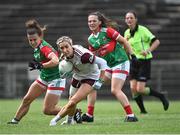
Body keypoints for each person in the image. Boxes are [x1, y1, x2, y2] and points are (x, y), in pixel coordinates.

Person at [82, 11, 138, 122]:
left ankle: (131, 115)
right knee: (92, 86)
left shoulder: (108, 31)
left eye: (94, 21)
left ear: (99, 22)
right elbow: (94, 55)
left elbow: (124, 41)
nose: (91, 23)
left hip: (120, 62)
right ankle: (89, 115)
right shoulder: (90, 39)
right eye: (89, 21)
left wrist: (133, 56)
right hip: (108, 66)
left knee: (115, 90)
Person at [7, 19, 66, 124]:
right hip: (44, 77)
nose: (33, 42)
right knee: (27, 99)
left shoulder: (44, 48)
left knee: (48, 110)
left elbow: (56, 61)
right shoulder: (37, 48)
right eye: (30, 40)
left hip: (56, 79)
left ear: (40, 37)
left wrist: (41, 65)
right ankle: (14, 121)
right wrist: (40, 66)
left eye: (35, 39)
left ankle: (74, 112)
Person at [49, 36, 108, 126]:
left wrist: (100, 80)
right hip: (78, 75)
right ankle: (69, 121)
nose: (64, 50)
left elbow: (103, 62)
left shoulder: (84, 56)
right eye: (62, 48)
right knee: (71, 100)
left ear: (71, 45)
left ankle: (54, 120)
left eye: (66, 47)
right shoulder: (64, 57)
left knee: (73, 101)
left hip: (91, 76)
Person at [124, 11, 169, 114]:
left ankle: (161, 96)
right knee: (133, 88)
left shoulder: (143, 30)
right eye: (127, 18)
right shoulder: (126, 33)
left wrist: (148, 50)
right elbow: (126, 49)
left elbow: (156, 41)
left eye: (131, 18)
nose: (129, 20)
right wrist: (124, 45)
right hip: (133, 62)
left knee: (140, 89)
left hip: (144, 62)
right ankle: (143, 111)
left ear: (136, 19)